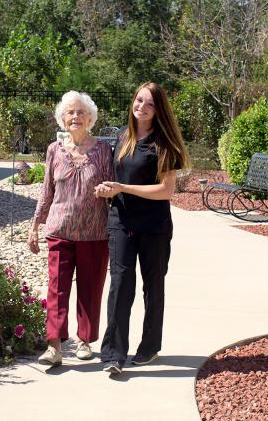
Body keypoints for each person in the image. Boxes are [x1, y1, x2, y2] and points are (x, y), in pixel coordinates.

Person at [94, 82, 189, 374]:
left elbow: (166, 190)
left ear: (159, 110)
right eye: (139, 100)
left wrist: (123, 187)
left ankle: (149, 348)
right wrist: (107, 189)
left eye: (150, 104)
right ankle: (113, 355)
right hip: (121, 222)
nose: (142, 107)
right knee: (120, 285)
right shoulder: (123, 136)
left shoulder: (164, 144)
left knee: (153, 287)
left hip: (154, 226)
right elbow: (117, 176)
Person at [28, 91, 114, 366]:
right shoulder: (54, 150)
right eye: (70, 112)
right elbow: (46, 192)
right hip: (60, 230)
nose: (75, 116)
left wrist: (107, 191)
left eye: (81, 112)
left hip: (94, 232)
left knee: (91, 289)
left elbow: (113, 188)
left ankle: (84, 341)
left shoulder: (103, 151)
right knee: (56, 289)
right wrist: (35, 226)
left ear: (90, 118)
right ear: (62, 118)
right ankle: (53, 346)